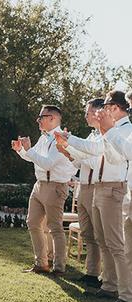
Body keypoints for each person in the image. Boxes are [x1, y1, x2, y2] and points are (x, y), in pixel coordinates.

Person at [12, 105, 77, 275]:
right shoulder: (43, 138)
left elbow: (47, 163)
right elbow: (36, 159)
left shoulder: (60, 138)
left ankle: (59, 266)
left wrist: (29, 149)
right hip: (39, 185)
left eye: (41, 117)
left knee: (55, 227)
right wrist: (21, 150)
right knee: (32, 223)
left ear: (53, 119)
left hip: (55, 186)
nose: (38, 120)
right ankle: (41, 263)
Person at [55, 98, 103, 288]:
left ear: (99, 112)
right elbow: (79, 165)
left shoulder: (103, 138)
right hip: (83, 187)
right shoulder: (91, 137)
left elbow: (94, 163)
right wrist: (69, 152)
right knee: (88, 233)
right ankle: (91, 273)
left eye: (88, 112)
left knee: (100, 235)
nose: (85, 115)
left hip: (96, 188)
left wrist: (72, 146)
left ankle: (105, 277)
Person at [95, 90, 132, 302]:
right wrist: (106, 132)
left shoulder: (125, 130)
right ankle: (126, 297)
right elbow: (113, 157)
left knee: (120, 246)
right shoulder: (118, 131)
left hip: (116, 191)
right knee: (127, 249)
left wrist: (108, 132)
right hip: (129, 195)